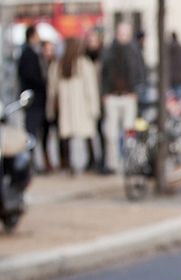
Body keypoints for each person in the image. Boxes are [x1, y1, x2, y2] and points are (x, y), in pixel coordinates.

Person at [46, 37, 100, 172]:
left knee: (67, 136)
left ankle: (67, 162)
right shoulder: (82, 64)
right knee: (86, 134)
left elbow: (52, 89)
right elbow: (91, 88)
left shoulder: (59, 64)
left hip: (67, 107)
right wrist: (94, 107)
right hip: (81, 106)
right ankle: (90, 160)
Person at [101, 22, 144, 172]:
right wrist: (104, 92)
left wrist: (136, 90)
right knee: (111, 133)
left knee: (129, 131)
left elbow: (139, 71)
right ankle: (112, 163)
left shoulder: (133, 50)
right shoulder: (109, 51)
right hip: (112, 96)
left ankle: (129, 161)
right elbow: (103, 73)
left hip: (128, 96)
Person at [17, 24, 52, 171]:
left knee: (40, 132)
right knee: (31, 133)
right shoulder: (28, 54)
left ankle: (37, 162)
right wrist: (43, 84)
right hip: (33, 99)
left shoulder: (34, 53)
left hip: (38, 99)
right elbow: (29, 76)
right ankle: (28, 163)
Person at [83, 28, 105, 170]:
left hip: (101, 97)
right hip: (88, 99)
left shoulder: (103, 57)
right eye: (90, 40)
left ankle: (102, 159)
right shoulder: (84, 59)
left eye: (94, 40)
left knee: (101, 130)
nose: (92, 43)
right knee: (88, 131)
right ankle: (91, 158)